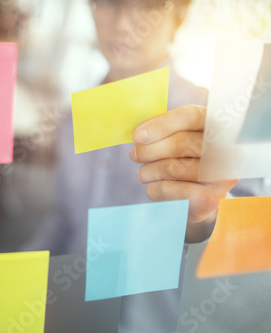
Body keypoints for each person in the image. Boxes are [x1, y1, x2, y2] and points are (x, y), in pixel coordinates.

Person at [23, 0, 270, 332]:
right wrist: (5, 291)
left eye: (148, 5)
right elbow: (64, 223)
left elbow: (250, 259)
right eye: (110, 3)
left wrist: (204, 217)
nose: (124, 23)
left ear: (179, 18)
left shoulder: (219, 118)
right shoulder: (74, 118)